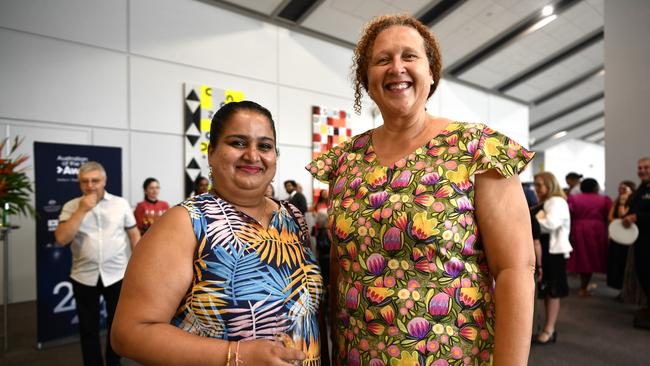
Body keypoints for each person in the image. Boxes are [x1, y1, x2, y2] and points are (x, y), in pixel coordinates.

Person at [307, 14, 535, 365]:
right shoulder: (345, 161)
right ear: (366, 81)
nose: (396, 67)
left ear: (431, 73)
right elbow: (341, 267)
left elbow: (515, 271)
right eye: (383, 60)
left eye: (409, 56)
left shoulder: (475, 148)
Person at [111, 101, 327, 365]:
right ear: (211, 152)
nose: (252, 155)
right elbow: (129, 333)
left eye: (265, 146)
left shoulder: (293, 218)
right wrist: (238, 355)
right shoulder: (185, 222)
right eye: (238, 143)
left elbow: (309, 314)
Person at [54, 161, 141, 366]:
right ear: (79, 183)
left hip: (117, 275)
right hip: (84, 276)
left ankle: (113, 362)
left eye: (95, 180)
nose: (90, 185)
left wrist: (139, 267)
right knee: (88, 327)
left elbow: (134, 235)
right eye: (85, 181)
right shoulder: (71, 206)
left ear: (105, 181)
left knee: (117, 325)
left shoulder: (120, 204)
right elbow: (61, 239)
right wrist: (82, 210)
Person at [532, 171, 572, 345]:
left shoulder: (557, 201)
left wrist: (529, 220)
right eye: (536, 185)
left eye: (540, 184)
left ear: (550, 184)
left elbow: (551, 224)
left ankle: (549, 329)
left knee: (552, 291)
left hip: (553, 252)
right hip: (546, 250)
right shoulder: (546, 202)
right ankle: (546, 328)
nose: (537, 188)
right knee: (546, 290)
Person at [566, 178, 612, 297]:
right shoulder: (604, 199)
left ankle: (583, 285)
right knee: (592, 257)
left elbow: (569, 213)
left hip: (579, 228)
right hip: (597, 230)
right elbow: (610, 215)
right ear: (595, 187)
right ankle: (584, 287)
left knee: (581, 257)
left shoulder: (573, 199)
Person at [623, 157, 650, 328]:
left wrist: (637, 217)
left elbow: (638, 214)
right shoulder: (641, 190)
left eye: (646, 167)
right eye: (639, 167)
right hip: (640, 242)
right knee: (644, 275)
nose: (642, 170)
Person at [607, 180, 636, 290]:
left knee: (624, 263)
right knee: (616, 263)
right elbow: (610, 218)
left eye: (624, 188)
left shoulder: (631, 201)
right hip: (616, 236)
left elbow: (623, 216)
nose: (621, 190)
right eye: (620, 188)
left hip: (627, 237)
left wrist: (623, 203)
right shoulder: (617, 201)